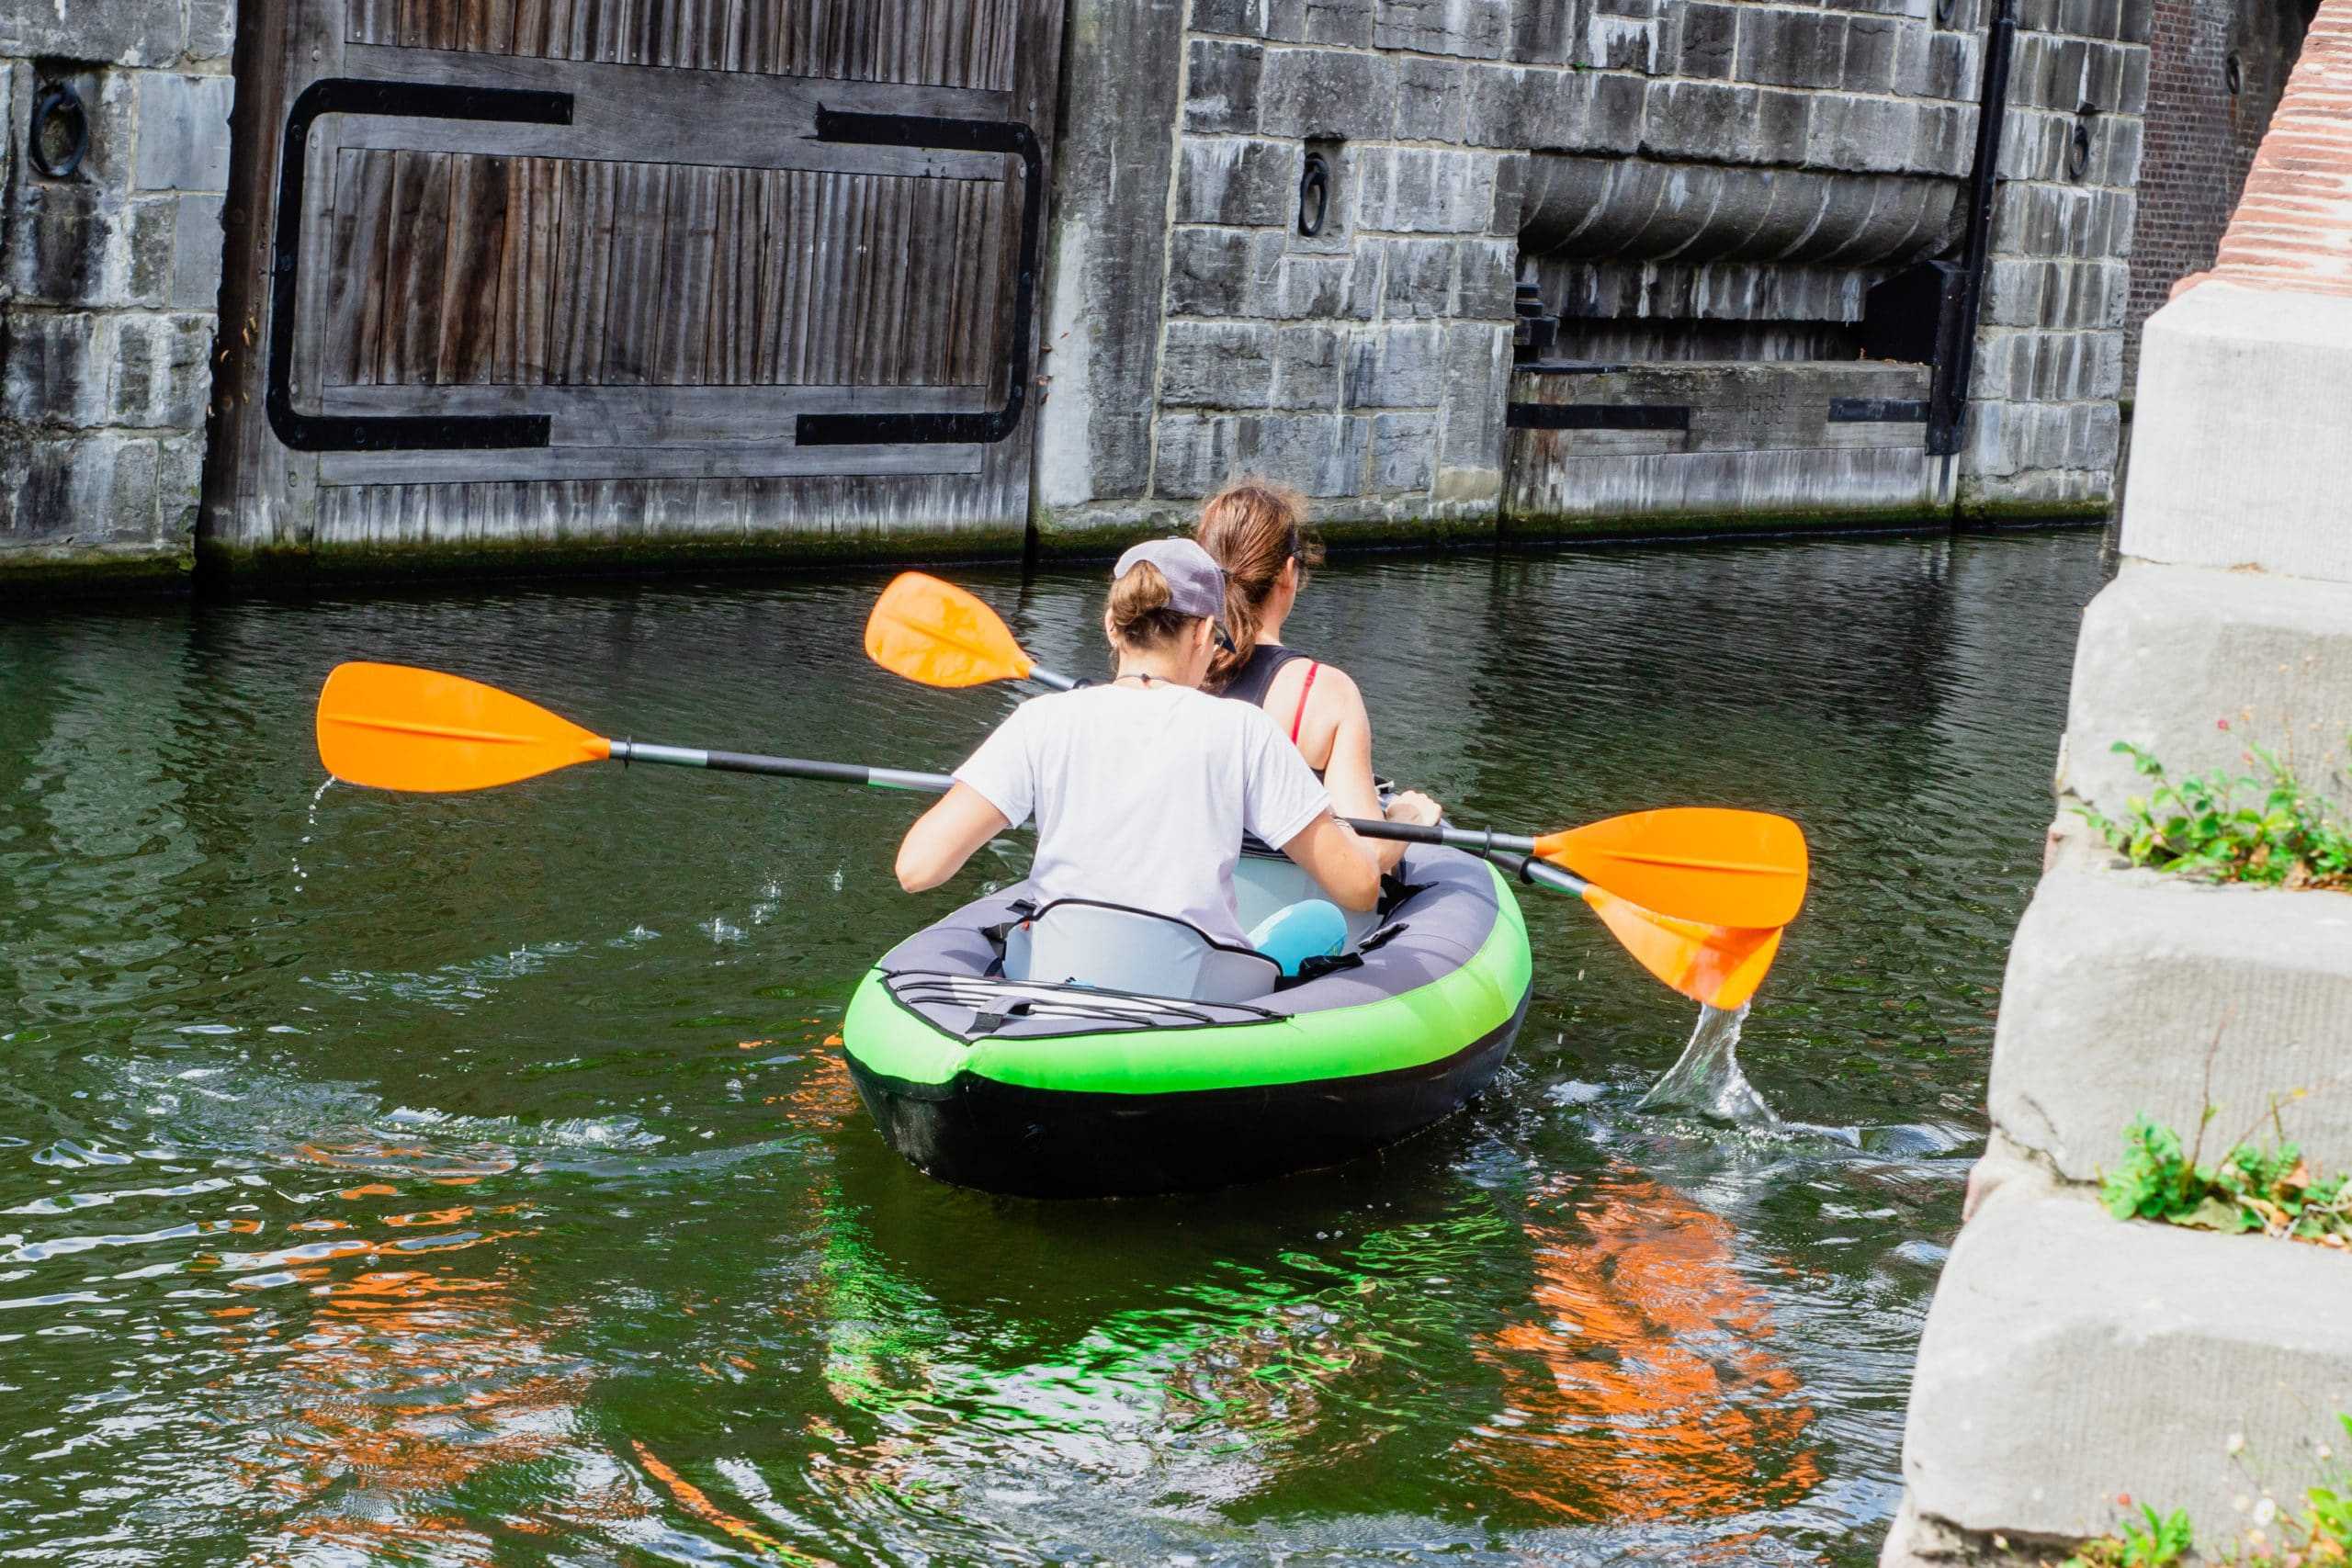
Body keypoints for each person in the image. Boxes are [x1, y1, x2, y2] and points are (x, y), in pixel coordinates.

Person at [894, 538, 1379, 975]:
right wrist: (1389, 823)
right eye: (1217, 644)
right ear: (1202, 632)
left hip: (1056, 982)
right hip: (1193, 1001)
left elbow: (917, 868)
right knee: (1319, 920)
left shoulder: (1039, 721)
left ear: (1111, 627)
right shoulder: (1244, 731)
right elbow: (1358, 888)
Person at [1196, 480, 1440, 872]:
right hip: (1288, 919)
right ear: (1289, 573)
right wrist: (1409, 819)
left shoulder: (1168, 669)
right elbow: (1370, 856)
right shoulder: (1323, 691)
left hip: (1176, 908)